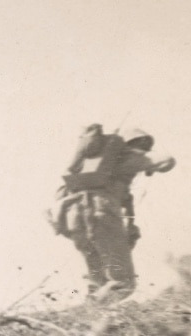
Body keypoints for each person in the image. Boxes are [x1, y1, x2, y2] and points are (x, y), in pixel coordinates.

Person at [52, 125, 174, 302]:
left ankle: (89, 317)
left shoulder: (92, 164)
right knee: (123, 283)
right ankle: (97, 314)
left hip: (73, 216)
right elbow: (167, 160)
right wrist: (148, 164)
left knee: (98, 281)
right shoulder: (131, 156)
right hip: (101, 211)